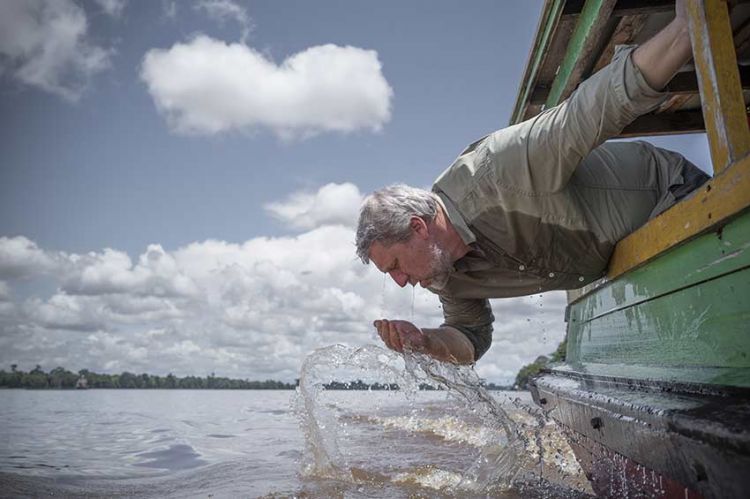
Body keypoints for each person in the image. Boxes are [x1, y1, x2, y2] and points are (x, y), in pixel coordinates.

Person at [355, 1, 710, 364]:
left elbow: (587, 111)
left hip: (671, 195)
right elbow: (471, 339)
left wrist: (684, 29)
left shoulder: (496, 168)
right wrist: (424, 341)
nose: (400, 281)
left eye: (394, 265)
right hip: (617, 257)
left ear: (418, 227)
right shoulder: (443, 274)